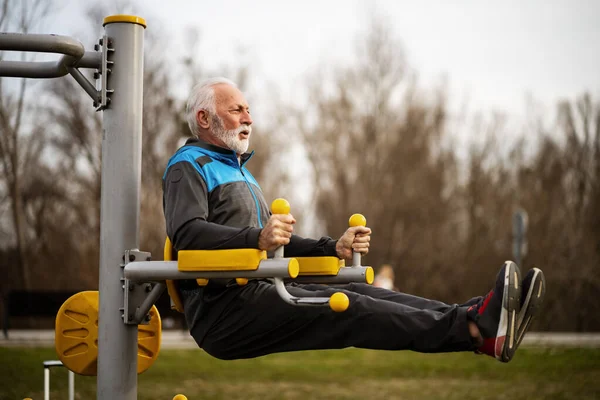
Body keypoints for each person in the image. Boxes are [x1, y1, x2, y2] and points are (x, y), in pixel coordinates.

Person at [162, 77, 546, 362]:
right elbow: (187, 235)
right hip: (224, 309)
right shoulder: (187, 167)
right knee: (351, 308)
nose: (249, 117)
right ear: (205, 118)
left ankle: (477, 317)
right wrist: (256, 239)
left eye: (248, 109)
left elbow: (271, 243)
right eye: (237, 110)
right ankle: (477, 330)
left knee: (371, 294)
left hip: (258, 290)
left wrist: (333, 247)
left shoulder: (241, 172)